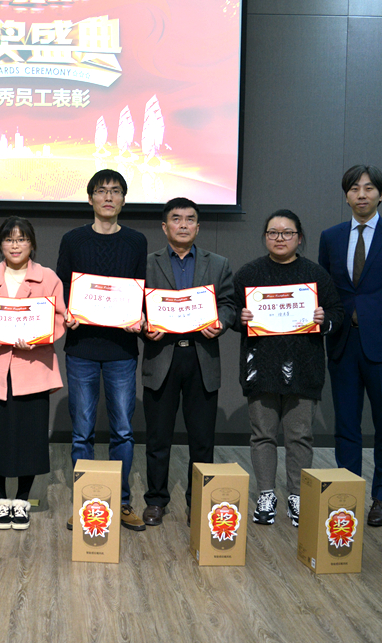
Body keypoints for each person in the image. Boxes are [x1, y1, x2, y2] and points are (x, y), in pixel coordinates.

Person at [319, 166, 382, 527]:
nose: (361, 194)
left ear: (381, 194)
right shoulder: (331, 237)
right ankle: (347, 496)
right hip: (342, 343)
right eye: (354, 188)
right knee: (346, 424)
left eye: (368, 188)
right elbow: (325, 289)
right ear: (346, 195)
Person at [234, 209, 343, 527]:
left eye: (287, 233)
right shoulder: (249, 273)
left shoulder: (315, 274)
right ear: (265, 237)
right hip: (260, 367)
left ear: (299, 237)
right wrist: (240, 318)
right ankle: (266, 494)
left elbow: (336, 311)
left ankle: (297, 495)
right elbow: (231, 311)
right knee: (262, 435)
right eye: (273, 232)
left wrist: (325, 319)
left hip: (304, 366)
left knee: (300, 436)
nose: (279, 238)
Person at [56, 169, 148, 531]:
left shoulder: (136, 241)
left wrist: (139, 315)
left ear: (124, 199)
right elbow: (63, 287)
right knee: (82, 432)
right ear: (90, 198)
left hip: (122, 349)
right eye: (101, 191)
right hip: (81, 346)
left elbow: (140, 289)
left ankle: (121, 502)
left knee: (123, 430)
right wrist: (67, 313)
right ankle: (86, 503)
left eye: (115, 191)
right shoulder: (73, 239)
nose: (108, 197)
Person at [141, 198, 237, 527]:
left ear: (198, 226)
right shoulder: (147, 263)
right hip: (161, 356)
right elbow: (135, 306)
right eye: (176, 219)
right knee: (158, 438)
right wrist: (144, 325)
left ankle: (199, 501)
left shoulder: (219, 263)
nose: (183, 225)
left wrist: (221, 322)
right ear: (164, 226)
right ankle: (156, 500)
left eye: (190, 219)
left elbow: (228, 304)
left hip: (201, 357)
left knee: (202, 439)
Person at [0, 216, 66, 530]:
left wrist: (39, 337)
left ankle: (22, 500)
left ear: (31, 243)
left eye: (21, 239)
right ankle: (0, 500)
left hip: (33, 368)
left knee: (31, 438)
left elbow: (59, 317)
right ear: (0, 244)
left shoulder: (48, 277)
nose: (15, 245)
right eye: (9, 239)